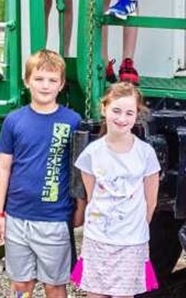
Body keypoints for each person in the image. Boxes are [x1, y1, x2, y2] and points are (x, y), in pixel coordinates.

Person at [0, 49, 83, 298]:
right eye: (39, 79)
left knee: (54, 285)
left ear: (61, 84)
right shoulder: (14, 120)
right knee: (21, 284)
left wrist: (80, 209)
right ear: (27, 81)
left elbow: (80, 173)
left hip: (54, 218)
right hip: (18, 216)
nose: (45, 85)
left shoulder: (73, 121)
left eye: (52, 80)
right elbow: (3, 168)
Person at [72, 82, 162, 297]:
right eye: (116, 111)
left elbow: (151, 201)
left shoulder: (146, 153)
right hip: (98, 238)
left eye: (129, 113)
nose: (122, 118)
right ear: (104, 109)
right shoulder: (92, 153)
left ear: (136, 115)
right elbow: (92, 194)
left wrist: (137, 227)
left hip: (131, 240)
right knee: (95, 293)